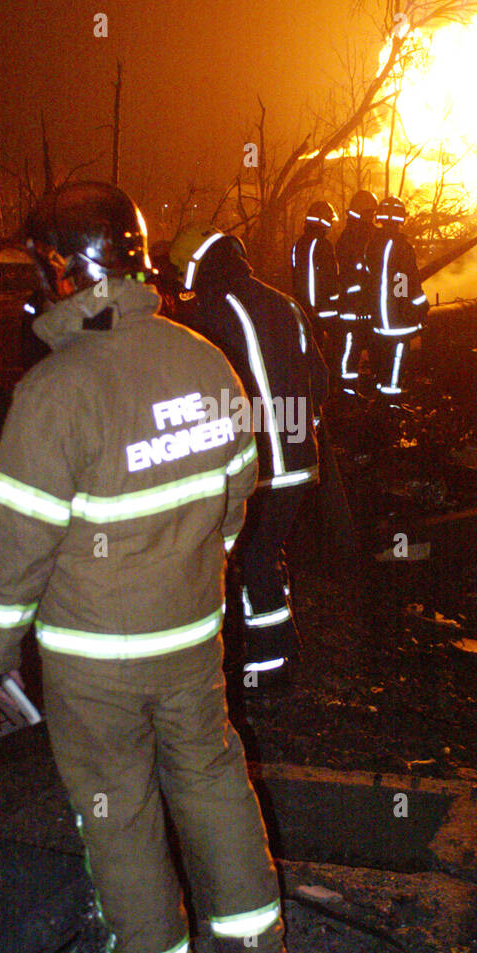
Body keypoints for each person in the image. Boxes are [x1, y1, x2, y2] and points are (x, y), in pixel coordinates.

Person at [0, 184, 287, 953]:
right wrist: (193, 572)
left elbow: (15, 548)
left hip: (94, 660)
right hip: (191, 638)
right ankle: (256, 948)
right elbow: (235, 496)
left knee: (118, 803)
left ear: (69, 274)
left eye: (40, 267)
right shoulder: (203, 358)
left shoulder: (54, 392)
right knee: (213, 778)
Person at [169, 225, 328, 689]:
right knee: (267, 550)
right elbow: (319, 380)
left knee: (252, 554)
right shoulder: (285, 303)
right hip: (301, 459)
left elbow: (206, 393)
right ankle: (274, 650)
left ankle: (271, 660)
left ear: (197, 264)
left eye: (180, 271)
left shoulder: (212, 311)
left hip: (258, 467)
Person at [366, 196, 429, 403]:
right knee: (396, 359)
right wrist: (417, 305)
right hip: (397, 321)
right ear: (401, 218)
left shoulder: (372, 245)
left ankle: (378, 395)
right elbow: (403, 280)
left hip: (377, 319)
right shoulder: (402, 247)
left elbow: (371, 279)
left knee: (381, 360)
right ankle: (390, 404)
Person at [334, 189, 378, 396]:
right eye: (369, 213)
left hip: (366, 309)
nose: (372, 218)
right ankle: (348, 394)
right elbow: (355, 272)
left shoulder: (364, 235)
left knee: (372, 353)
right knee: (351, 353)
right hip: (353, 309)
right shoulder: (351, 238)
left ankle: (364, 392)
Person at [290, 201, 340, 347]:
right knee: (331, 351)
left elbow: (297, 278)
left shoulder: (298, 244)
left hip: (304, 310)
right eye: (329, 221)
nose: (330, 225)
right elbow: (329, 278)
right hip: (323, 311)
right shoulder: (323, 245)